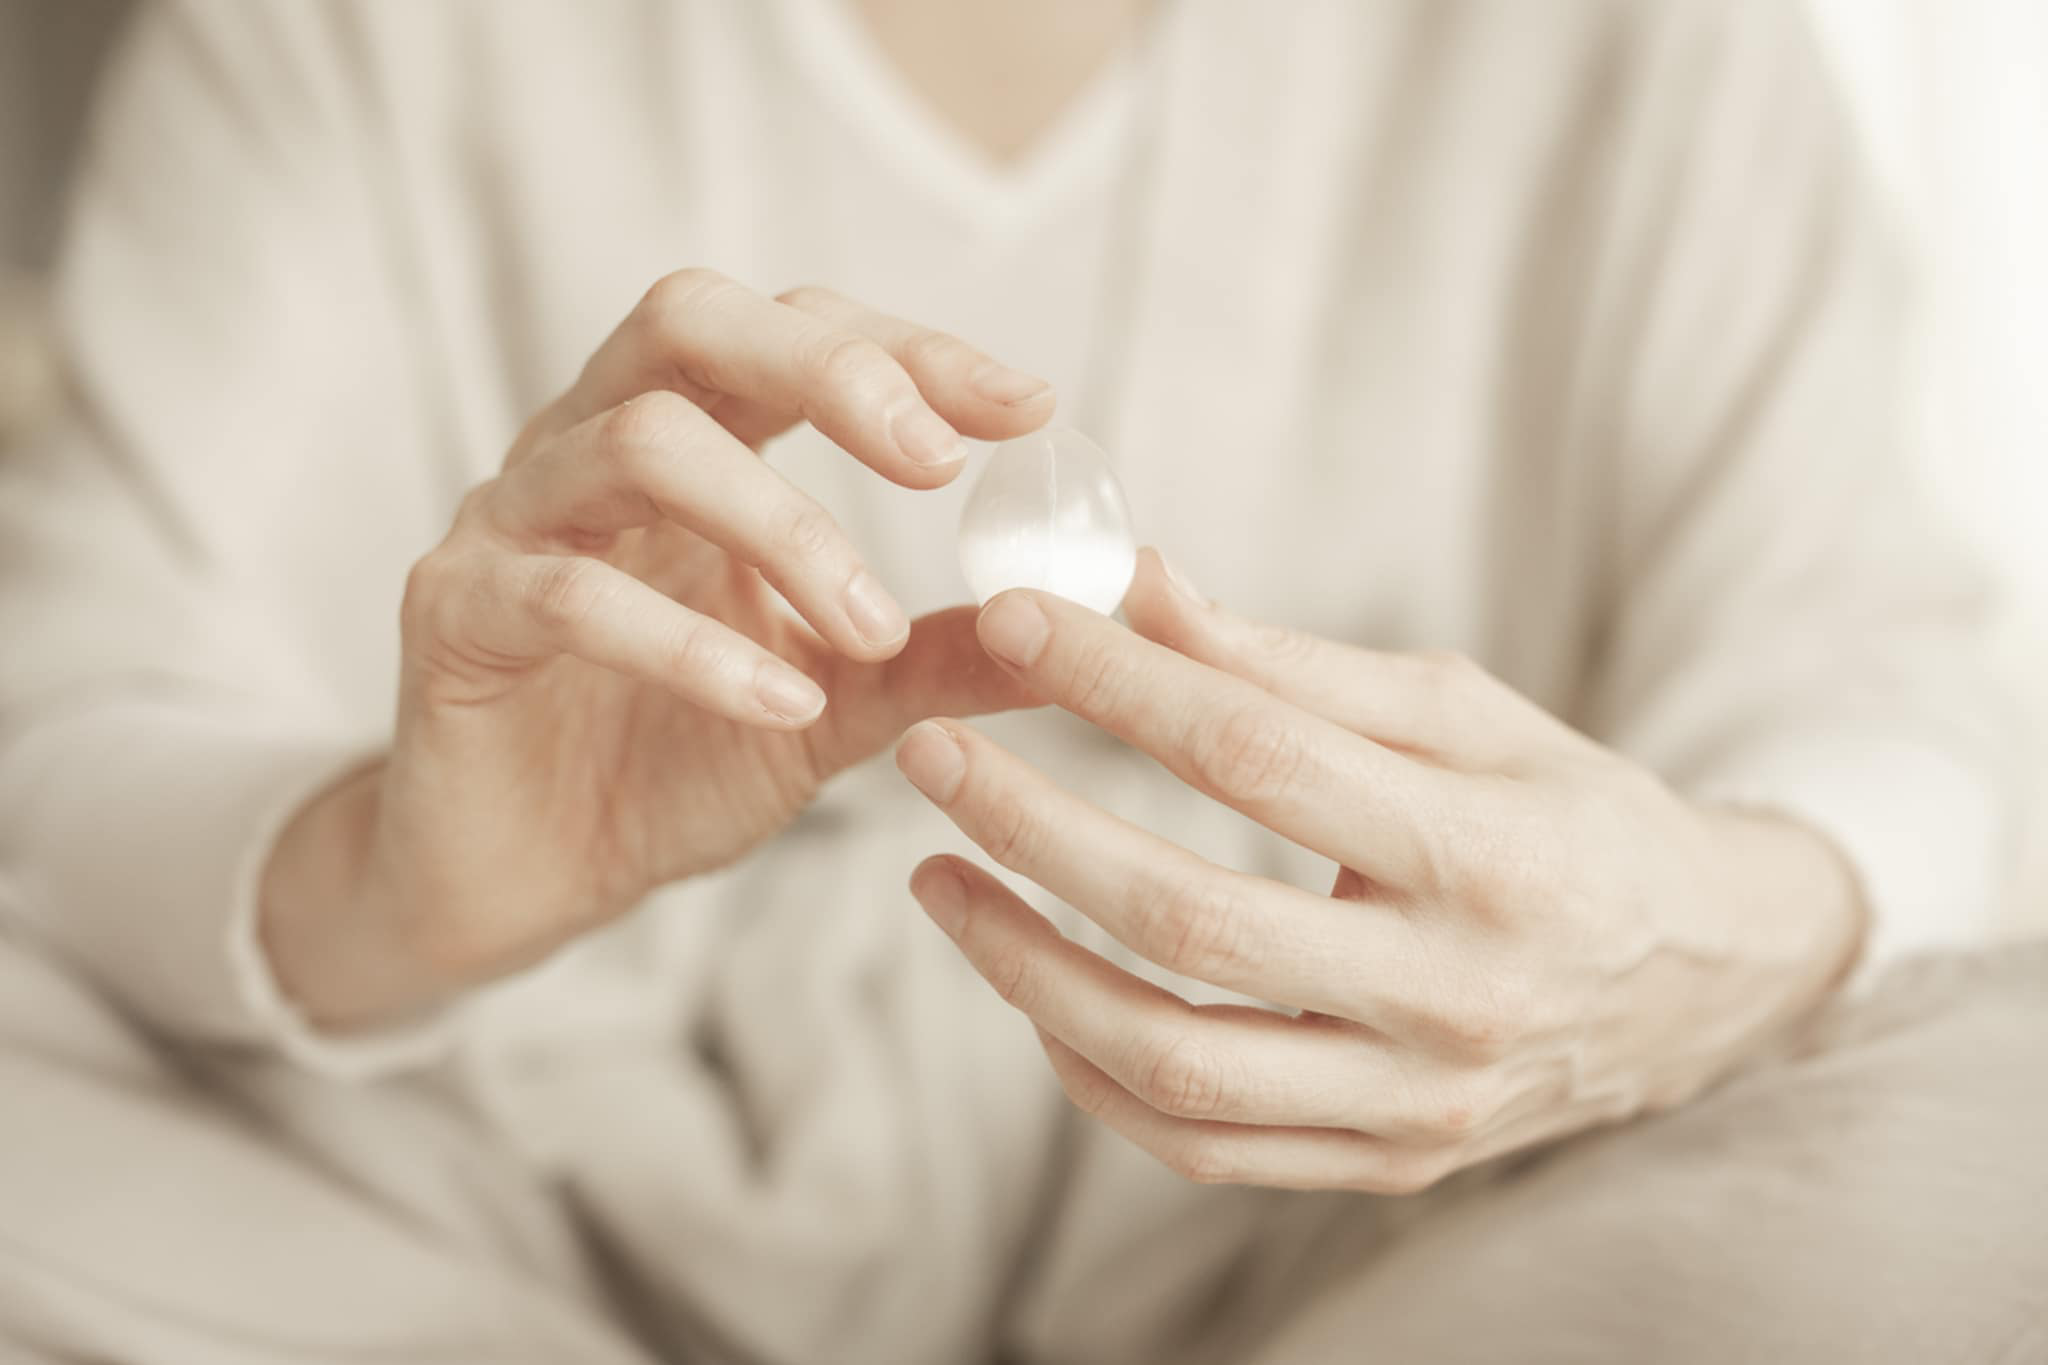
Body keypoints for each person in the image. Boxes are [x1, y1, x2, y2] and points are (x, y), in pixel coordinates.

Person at [1, 0, 2042, 1360]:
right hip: (499, 1195)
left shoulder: (1633, 48)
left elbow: (1869, 676)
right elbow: (71, 713)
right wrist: (394, 876)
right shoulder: (346, 36)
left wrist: (1692, 936)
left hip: (1421, 1216)